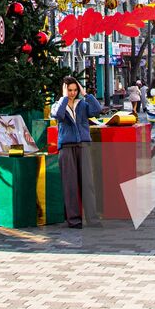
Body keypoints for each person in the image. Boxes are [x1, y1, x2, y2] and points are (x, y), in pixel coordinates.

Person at [50, 76, 102, 228]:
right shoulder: (58, 105)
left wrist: (86, 94)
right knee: (69, 184)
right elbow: (58, 115)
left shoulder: (83, 104)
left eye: (75, 90)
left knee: (88, 183)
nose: (73, 93)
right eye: (70, 90)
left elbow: (97, 110)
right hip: (66, 148)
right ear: (65, 90)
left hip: (83, 146)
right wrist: (64, 98)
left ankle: (92, 219)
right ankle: (73, 220)